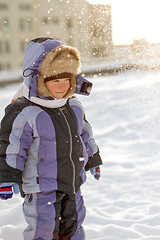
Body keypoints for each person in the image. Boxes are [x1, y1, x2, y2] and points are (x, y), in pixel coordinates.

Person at [0, 37, 102, 240]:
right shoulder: (26, 111)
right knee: (43, 229)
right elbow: (11, 146)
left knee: (73, 226)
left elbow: (84, 134)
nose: (62, 86)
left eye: (67, 80)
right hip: (41, 188)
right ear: (38, 79)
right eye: (55, 81)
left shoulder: (72, 106)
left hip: (72, 184)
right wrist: (7, 176)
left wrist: (93, 159)